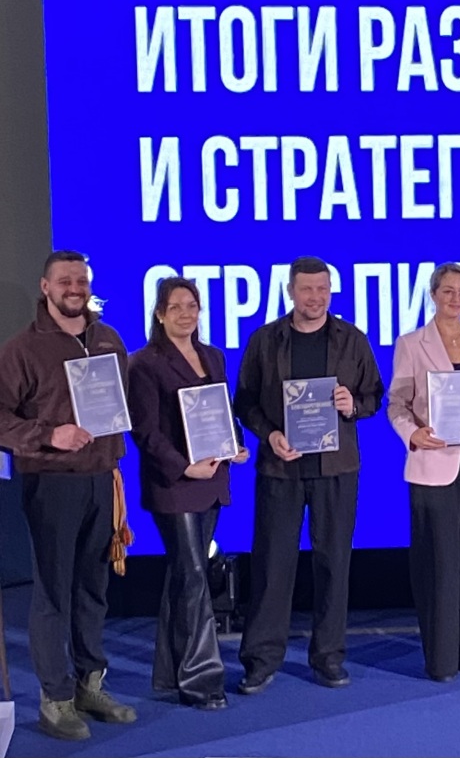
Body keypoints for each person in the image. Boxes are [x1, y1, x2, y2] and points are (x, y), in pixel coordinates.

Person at [0, 251, 138, 740]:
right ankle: (55, 699)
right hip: (51, 482)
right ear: (45, 287)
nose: (74, 288)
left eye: (81, 280)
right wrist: (48, 434)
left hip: (102, 478)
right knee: (53, 592)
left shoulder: (108, 339)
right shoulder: (22, 349)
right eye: (65, 281)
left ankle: (89, 684)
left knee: (92, 590)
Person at [233, 256, 385, 693]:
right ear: (291, 291)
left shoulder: (352, 339)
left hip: (336, 468)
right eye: (306, 289)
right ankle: (261, 659)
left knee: (333, 564)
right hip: (280, 467)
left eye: (322, 289)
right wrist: (270, 434)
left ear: (330, 292)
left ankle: (329, 657)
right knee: (272, 566)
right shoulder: (265, 340)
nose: (315, 297)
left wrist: (352, 406)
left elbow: (374, 395)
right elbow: (245, 401)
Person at [128, 277, 250, 709]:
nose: (186, 313)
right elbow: (145, 432)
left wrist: (235, 444)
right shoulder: (143, 363)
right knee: (195, 575)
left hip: (212, 479)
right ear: (160, 314)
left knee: (184, 574)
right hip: (175, 484)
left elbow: (223, 410)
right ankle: (202, 681)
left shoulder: (213, 356)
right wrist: (184, 466)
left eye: (192, 306)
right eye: (176, 306)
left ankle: (169, 671)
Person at [388, 263, 460, 683]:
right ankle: (440, 656)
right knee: (437, 564)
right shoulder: (411, 343)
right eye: (448, 291)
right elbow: (397, 403)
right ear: (433, 295)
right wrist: (413, 434)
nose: (456, 299)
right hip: (431, 464)